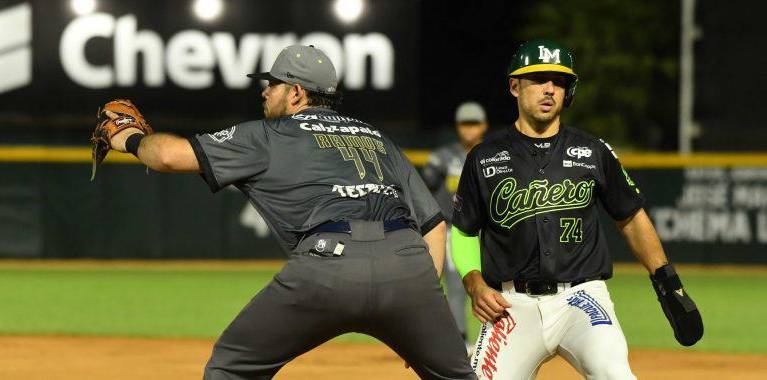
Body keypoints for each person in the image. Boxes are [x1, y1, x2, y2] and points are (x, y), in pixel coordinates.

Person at [103, 45, 476, 380]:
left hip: (329, 266)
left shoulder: (272, 134)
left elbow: (168, 156)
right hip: (407, 267)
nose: (264, 91)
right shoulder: (378, 138)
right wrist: (422, 311)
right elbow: (434, 226)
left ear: (296, 92)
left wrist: (130, 138)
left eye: (273, 83)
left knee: (229, 369)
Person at [450, 39, 703, 379]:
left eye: (559, 81)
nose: (549, 89)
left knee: (615, 374)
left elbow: (630, 217)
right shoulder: (483, 157)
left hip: (581, 299)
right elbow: (464, 229)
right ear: (514, 86)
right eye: (539, 79)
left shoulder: (592, 151)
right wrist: (474, 283)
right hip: (511, 305)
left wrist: (667, 281)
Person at [421, 101, 488, 346]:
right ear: (458, 127)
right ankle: (461, 343)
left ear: (484, 126)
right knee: (457, 286)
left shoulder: (494, 154)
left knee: (493, 285)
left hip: (489, 232)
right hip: (454, 231)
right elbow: (423, 190)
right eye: (465, 124)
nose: (469, 129)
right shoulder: (443, 157)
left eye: (474, 124)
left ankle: (494, 342)